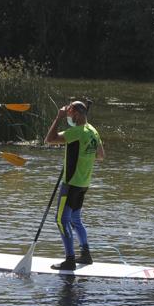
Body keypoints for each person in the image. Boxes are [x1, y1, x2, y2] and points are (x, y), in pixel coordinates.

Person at [45, 101, 105, 270]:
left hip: (70, 183)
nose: (68, 116)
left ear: (76, 114)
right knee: (75, 219)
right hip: (84, 183)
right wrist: (81, 156)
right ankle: (86, 255)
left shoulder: (77, 132)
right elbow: (100, 156)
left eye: (69, 112)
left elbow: (49, 140)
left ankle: (70, 260)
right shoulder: (93, 131)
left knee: (61, 221)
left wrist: (58, 117)